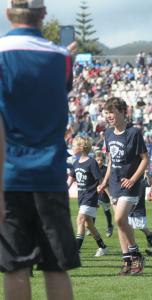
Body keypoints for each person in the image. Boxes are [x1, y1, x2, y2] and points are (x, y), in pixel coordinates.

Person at [0, 1, 80, 299]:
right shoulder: (62, 58)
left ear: (8, 13)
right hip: (50, 174)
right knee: (56, 268)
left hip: (10, 176)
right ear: (43, 15)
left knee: (16, 267)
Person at [97, 97, 149, 275]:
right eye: (107, 112)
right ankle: (127, 261)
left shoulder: (134, 132)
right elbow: (111, 160)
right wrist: (104, 181)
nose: (109, 116)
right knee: (121, 224)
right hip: (114, 184)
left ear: (122, 112)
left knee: (119, 219)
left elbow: (145, 159)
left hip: (129, 184)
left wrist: (134, 179)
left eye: (112, 112)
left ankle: (136, 253)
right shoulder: (108, 133)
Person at [67, 137, 109, 257]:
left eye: (74, 145)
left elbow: (100, 181)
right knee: (88, 225)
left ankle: (76, 250)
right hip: (81, 198)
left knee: (80, 219)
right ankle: (103, 247)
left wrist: (108, 195)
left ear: (81, 148)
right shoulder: (75, 163)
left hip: (90, 197)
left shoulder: (92, 162)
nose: (72, 148)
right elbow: (70, 181)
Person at [94, 151, 114, 237]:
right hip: (95, 194)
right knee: (93, 210)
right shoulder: (93, 168)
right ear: (95, 160)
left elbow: (106, 183)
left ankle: (110, 226)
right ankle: (91, 227)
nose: (99, 162)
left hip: (105, 194)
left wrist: (110, 195)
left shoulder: (106, 170)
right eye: (98, 160)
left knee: (106, 211)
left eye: (101, 160)